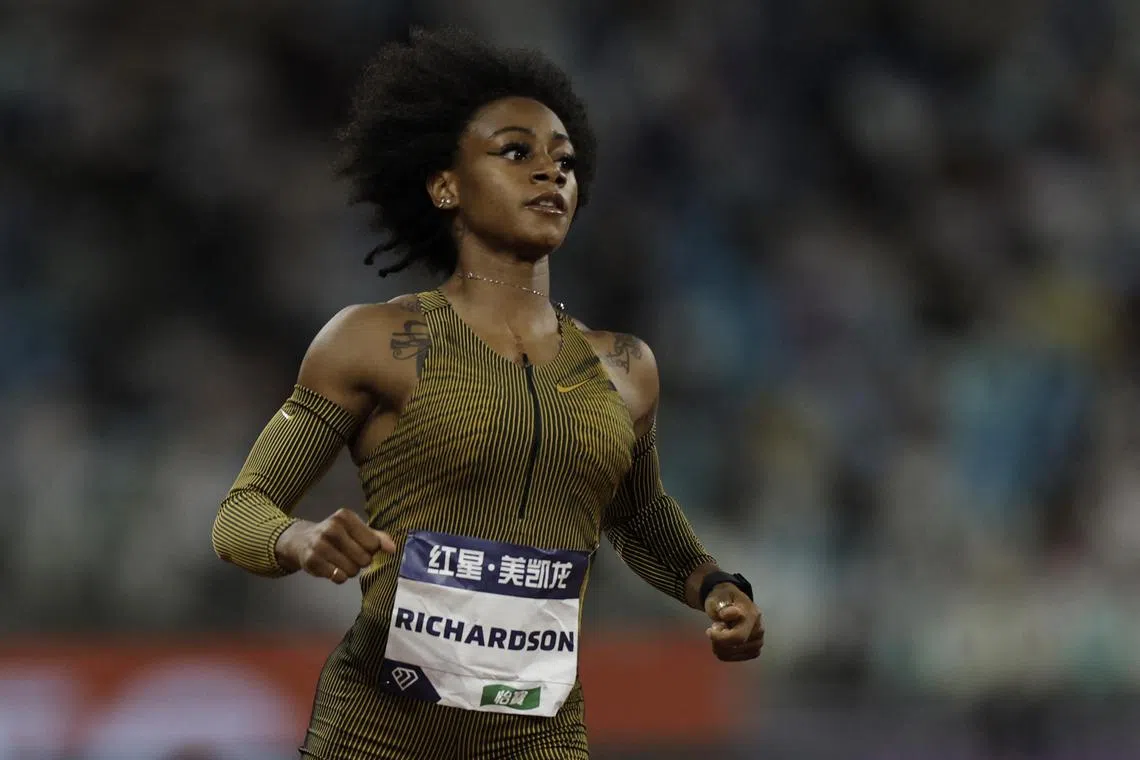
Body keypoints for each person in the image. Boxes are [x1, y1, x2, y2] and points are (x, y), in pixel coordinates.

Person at [211, 27, 763, 760]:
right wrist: (300, 539)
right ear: (446, 185)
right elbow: (240, 513)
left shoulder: (625, 366)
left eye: (564, 162)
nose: (550, 174)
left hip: (539, 740)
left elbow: (639, 518)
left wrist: (717, 588)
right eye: (516, 153)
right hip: (377, 739)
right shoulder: (372, 341)